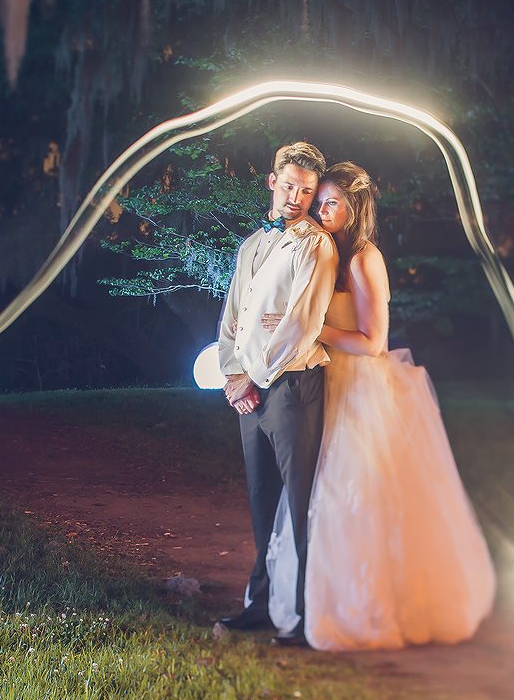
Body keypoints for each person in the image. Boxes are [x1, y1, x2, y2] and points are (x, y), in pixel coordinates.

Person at [263, 161, 496, 650]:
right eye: (319, 200)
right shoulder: (323, 251)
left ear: (354, 209)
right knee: (314, 493)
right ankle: (310, 603)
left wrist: (311, 330)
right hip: (323, 383)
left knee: (349, 495)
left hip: (359, 389)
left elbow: (374, 341)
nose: (320, 209)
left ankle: (353, 609)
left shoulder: (365, 259)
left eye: (331, 202)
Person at [213, 140, 339, 647]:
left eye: (307, 191)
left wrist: (254, 378)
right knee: (262, 499)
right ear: (271, 181)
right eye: (289, 185)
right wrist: (231, 373)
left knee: (299, 501)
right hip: (250, 390)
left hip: (291, 388)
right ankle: (261, 605)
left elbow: (301, 327)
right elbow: (232, 319)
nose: (297, 196)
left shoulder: (315, 246)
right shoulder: (250, 245)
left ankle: (307, 617)